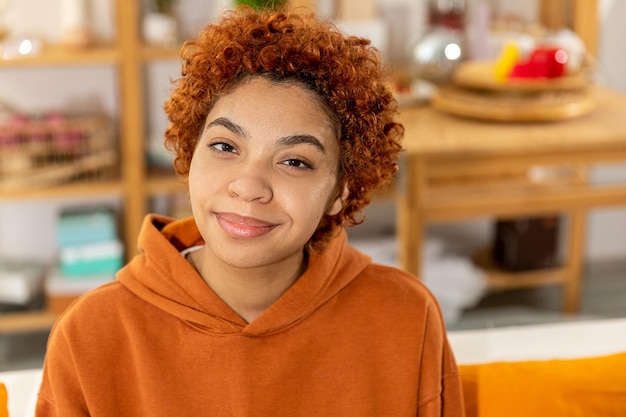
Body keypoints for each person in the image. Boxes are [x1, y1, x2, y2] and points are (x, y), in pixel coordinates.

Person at [36, 6, 465, 416]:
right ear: (190, 155)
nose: (249, 186)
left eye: (294, 161)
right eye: (225, 147)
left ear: (340, 190)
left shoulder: (405, 317)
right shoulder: (90, 335)